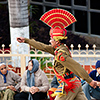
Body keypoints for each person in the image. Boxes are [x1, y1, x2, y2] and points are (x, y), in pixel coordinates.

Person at [17, 8, 97, 100]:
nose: (50, 41)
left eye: (51, 39)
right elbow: (42, 46)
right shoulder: (60, 48)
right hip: (75, 83)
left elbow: (76, 66)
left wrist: (89, 81)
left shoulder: (60, 55)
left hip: (69, 86)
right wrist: (26, 41)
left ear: (57, 40)